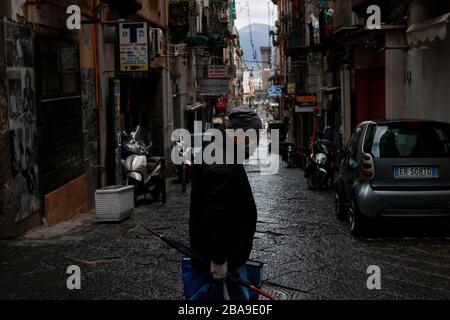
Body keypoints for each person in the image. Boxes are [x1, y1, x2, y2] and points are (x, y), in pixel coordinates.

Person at [188, 105, 262, 300]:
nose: (256, 143)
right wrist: (219, 259)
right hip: (223, 260)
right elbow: (217, 215)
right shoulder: (223, 164)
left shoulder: (220, 151)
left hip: (221, 256)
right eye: (253, 136)